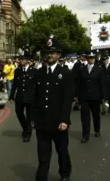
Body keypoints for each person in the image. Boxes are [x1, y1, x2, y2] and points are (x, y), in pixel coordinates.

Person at [32, 36, 73, 181]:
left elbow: (67, 99)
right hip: (42, 122)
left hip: (58, 122)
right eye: (47, 52)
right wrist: (33, 118)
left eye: (53, 52)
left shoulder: (66, 73)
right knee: (43, 153)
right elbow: (35, 98)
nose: (50, 55)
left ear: (59, 55)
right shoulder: (39, 73)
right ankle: (42, 176)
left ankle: (65, 174)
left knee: (62, 151)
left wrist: (64, 119)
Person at [9, 50, 37, 142]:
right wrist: (11, 96)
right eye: (20, 59)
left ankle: (27, 133)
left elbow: (37, 86)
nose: (21, 60)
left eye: (23, 59)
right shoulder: (17, 71)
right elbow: (14, 84)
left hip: (30, 97)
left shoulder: (34, 71)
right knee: (19, 113)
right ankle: (26, 128)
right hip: (20, 96)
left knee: (30, 116)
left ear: (28, 60)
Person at [77, 52, 105, 143]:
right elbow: (79, 83)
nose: (91, 59)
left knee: (96, 115)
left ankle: (97, 130)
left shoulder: (99, 69)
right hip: (84, 97)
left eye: (93, 57)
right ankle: (85, 135)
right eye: (89, 58)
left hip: (96, 97)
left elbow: (102, 84)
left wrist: (103, 97)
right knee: (84, 117)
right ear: (86, 58)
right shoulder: (82, 69)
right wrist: (77, 96)